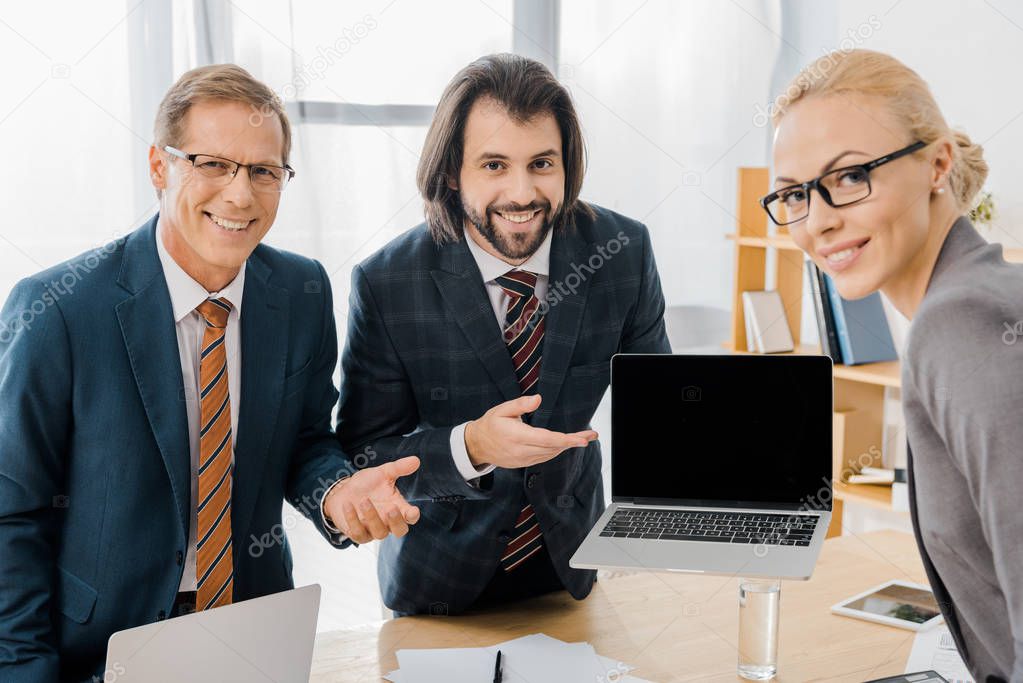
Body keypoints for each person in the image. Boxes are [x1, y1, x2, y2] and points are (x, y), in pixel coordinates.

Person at [0, 64, 420, 682]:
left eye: (262, 171)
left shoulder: (301, 290)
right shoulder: (57, 310)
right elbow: (13, 516)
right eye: (212, 164)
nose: (239, 195)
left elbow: (304, 440)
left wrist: (336, 493)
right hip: (100, 652)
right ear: (158, 167)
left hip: (255, 635)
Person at [337, 53, 671, 616]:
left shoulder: (623, 251)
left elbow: (659, 404)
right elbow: (365, 455)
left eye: (542, 163)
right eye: (494, 165)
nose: (522, 194)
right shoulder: (387, 282)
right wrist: (470, 447)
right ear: (451, 172)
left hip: (573, 566)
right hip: (439, 581)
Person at [766, 49, 1019, 683]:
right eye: (794, 194)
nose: (819, 221)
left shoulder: (959, 324)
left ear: (937, 164)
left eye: (850, 176)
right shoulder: (983, 293)